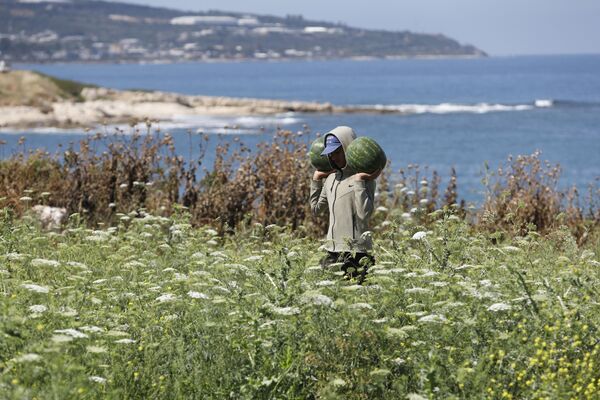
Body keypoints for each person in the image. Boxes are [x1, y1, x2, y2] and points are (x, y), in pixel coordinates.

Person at [310, 126, 381, 282]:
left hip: (357, 253)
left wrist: (359, 181)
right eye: (330, 153)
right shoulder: (330, 179)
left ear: (349, 147)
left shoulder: (364, 180)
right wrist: (316, 180)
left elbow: (364, 215)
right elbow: (316, 210)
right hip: (332, 250)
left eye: (337, 152)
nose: (333, 158)